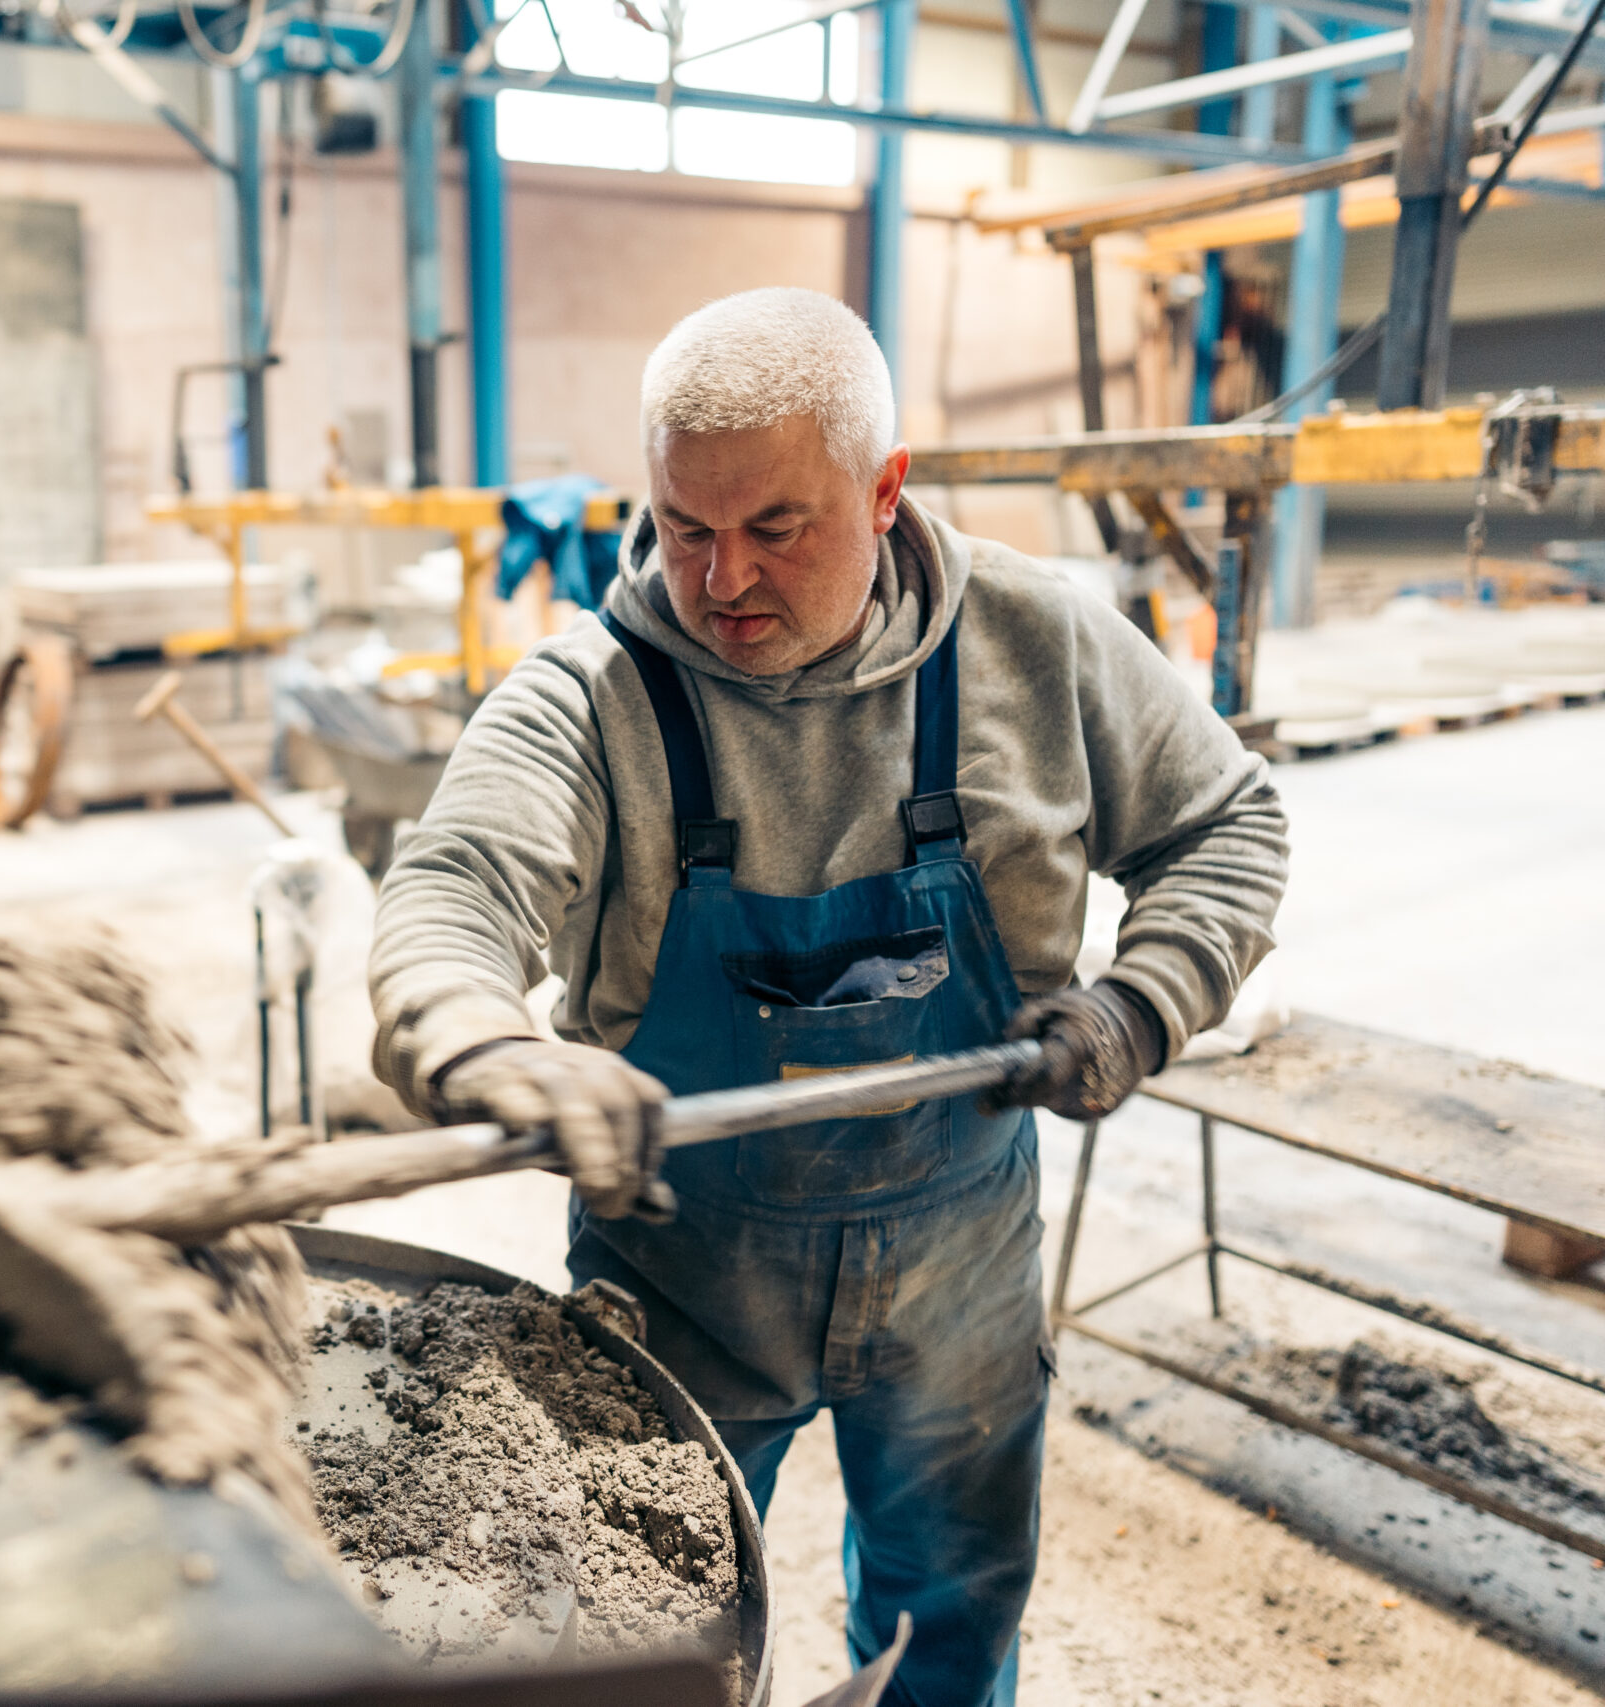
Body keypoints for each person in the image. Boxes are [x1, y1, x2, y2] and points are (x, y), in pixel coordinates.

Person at [368, 288, 1288, 1707]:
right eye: (686, 527)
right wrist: (479, 1033)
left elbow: (1229, 825)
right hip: (681, 1269)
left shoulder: (1040, 647)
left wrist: (1142, 1000)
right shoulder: (590, 697)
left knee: (950, 1618)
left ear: (885, 490)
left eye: (777, 528)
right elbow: (455, 891)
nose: (722, 577)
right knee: (634, 1633)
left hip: (959, 1258)